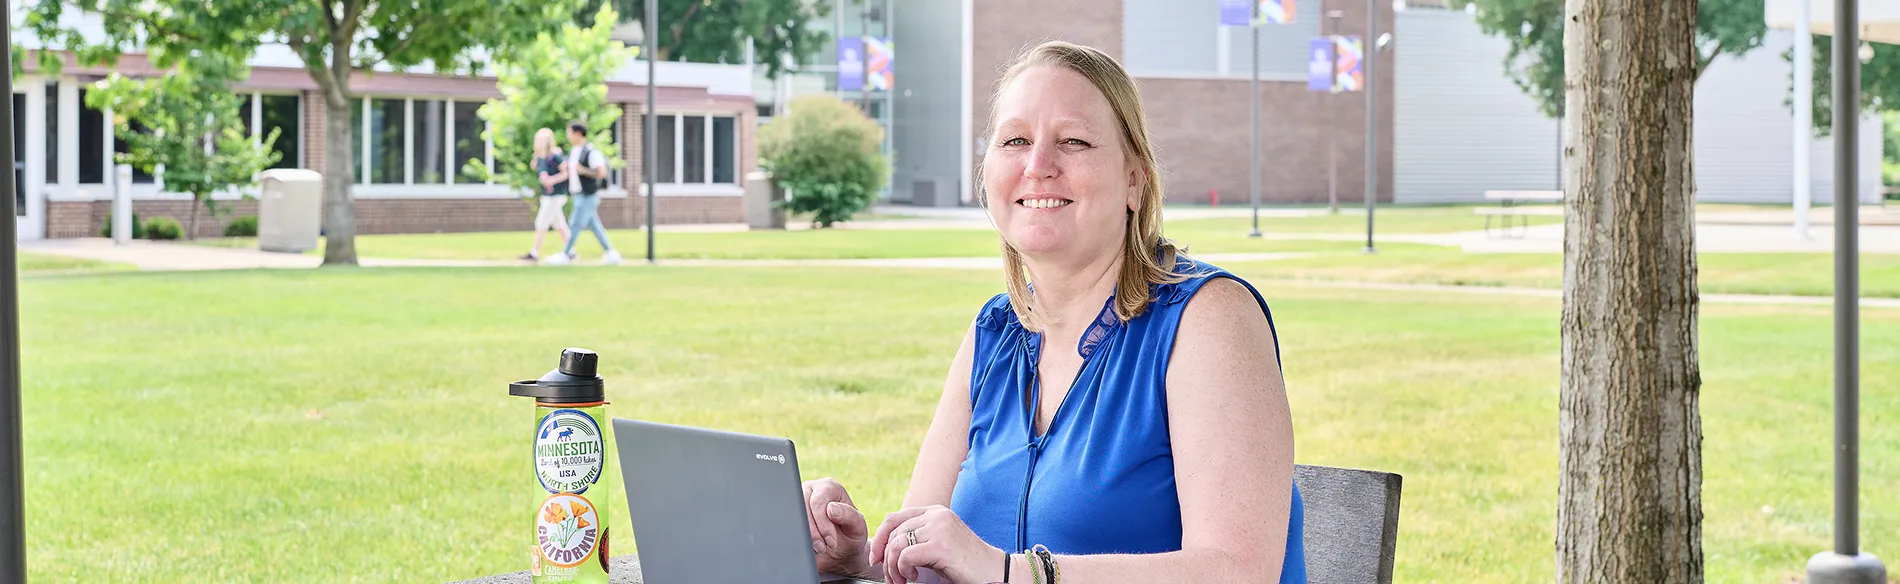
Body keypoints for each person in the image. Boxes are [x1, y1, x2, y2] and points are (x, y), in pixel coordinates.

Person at [801, 41, 1306, 584]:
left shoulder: (1210, 318)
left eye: (1074, 141)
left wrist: (1013, 573)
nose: (1038, 166)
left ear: (1134, 179)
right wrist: (858, 562)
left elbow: (1238, 569)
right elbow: (928, 556)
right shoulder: (994, 334)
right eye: (1015, 140)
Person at [543, 120, 620, 265]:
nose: (568, 136)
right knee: (595, 226)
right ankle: (611, 253)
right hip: (577, 194)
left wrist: (582, 170)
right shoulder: (573, 152)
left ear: (578, 134)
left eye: (569, 133)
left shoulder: (591, 152)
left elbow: (601, 173)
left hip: (588, 195)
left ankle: (566, 254)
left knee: (575, 223)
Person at [521, 128, 573, 262]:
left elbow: (565, 173)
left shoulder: (554, 157)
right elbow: (539, 172)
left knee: (541, 222)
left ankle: (534, 252)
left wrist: (552, 180)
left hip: (556, 195)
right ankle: (571, 251)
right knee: (560, 224)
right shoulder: (540, 158)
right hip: (547, 195)